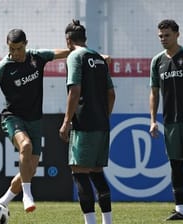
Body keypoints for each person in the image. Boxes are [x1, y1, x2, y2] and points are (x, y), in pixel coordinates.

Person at [0, 28, 72, 212]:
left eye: (19, 48)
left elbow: (62, 53)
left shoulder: (36, 58)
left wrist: (92, 55)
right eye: (11, 48)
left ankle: (2, 202)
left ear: (26, 44)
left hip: (35, 121)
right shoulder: (4, 67)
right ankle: (27, 195)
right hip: (13, 118)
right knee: (25, 146)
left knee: (29, 170)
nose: (15, 53)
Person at [59, 20, 115, 224]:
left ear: (68, 40)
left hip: (84, 123)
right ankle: (107, 221)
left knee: (80, 171)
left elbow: (74, 90)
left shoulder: (75, 56)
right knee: (97, 172)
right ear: (85, 38)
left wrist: (66, 121)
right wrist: (104, 115)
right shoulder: (99, 58)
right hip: (102, 123)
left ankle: (90, 222)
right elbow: (111, 94)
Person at [149, 19, 183, 221]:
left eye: (167, 35)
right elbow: (154, 93)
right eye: (161, 36)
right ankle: (180, 209)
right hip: (171, 122)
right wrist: (153, 120)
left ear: (177, 34)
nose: (163, 39)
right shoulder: (157, 62)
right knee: (176, 165)